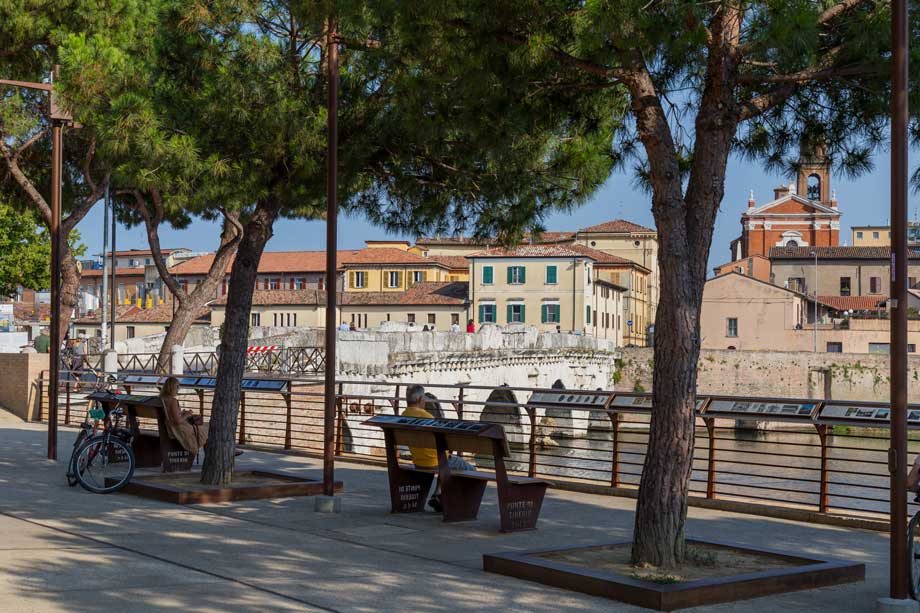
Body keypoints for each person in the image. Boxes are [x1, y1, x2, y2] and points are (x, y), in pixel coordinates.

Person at [401, 384, 474, 512]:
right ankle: (458, 505)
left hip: (418, 461)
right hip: (436, 461)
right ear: (420, 399)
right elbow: (444, 440)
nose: (425, 401)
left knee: (444, 461)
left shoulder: (404, 415)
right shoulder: (427, 417)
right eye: (424, 399)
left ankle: (438, 494)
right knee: (471, 470)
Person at [160, 376, 210, 459]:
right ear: (172, 387)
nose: (178, 389)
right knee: (208, 428)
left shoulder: (162, 398)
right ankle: (209, 457)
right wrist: (187, 414)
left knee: (205, 427)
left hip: (169, 427)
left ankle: (209, 457)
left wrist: (181, 413)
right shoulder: (173, 401)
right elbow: (177, 421)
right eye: (177, 386)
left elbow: (171, 415)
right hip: (178, 429)